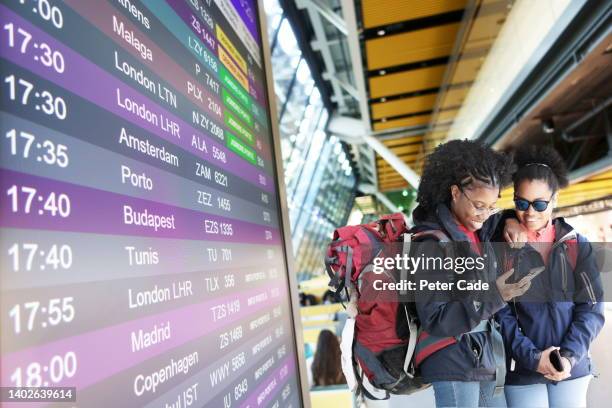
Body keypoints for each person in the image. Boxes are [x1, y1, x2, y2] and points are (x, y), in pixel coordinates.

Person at [411, 140, 530, 408]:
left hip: (480, 352)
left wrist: (509, 217)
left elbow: (494, 221)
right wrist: (495, 295)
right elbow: (435, 318)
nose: (484, 215)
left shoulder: (477, 231)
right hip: (452, 358)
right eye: (478, 205)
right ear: (455, 192)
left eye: (491, 207)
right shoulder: (431, 244)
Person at [496, 145, 605, 407]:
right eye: (521, 203)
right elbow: (500, 312)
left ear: (554, 200)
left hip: (571, 368)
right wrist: (533, 358)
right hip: (522, 369)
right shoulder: (502, 245)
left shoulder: (577, 245)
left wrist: (567, 356)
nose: (530, 212)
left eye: (540, 204)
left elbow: (591, 308)